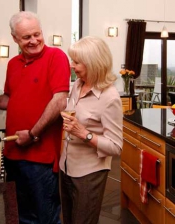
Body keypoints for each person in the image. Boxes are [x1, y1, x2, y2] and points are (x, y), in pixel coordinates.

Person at [0, 11, 70, 224]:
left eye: (37, 34)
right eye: (26, 37)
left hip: (40, 159)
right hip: (13, 154)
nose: (34, 40)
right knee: (19, 215)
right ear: (15, 38)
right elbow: (10, 99)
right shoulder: (13, 64)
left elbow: (60, 100)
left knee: (46, 218)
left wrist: (33, 134)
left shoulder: (56, 57)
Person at [60, 36, 123, 224]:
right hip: (67, 167)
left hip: (90, 173)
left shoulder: (110, 98)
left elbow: (116, 147)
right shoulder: (77, 85)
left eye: (76, 62)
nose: (72, 65)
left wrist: (84, 133)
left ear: (92, 63)